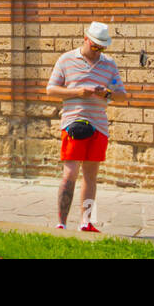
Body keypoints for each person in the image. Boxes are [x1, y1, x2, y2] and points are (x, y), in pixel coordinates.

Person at [46, 21, 127, 231]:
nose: (98, 50)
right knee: (70, 173)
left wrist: (107, 93)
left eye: (102, 47)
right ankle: (61, 222)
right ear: (86, 39)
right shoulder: (66, 59)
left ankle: (86, 222)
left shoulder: (109, 64)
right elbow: (51, 90)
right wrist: (77, 92)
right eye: (95, 45)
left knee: (91, 177)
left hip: (98, 126)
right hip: (73, 124)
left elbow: (122, 95)